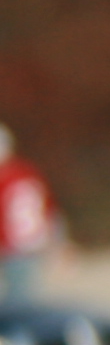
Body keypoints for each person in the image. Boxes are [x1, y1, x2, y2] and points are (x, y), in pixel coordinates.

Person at [0, 127, 53, 307]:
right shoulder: (27, 172)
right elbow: (48, 208)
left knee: (18, 302)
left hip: (12, 248)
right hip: (33, 244)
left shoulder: (5, 178)